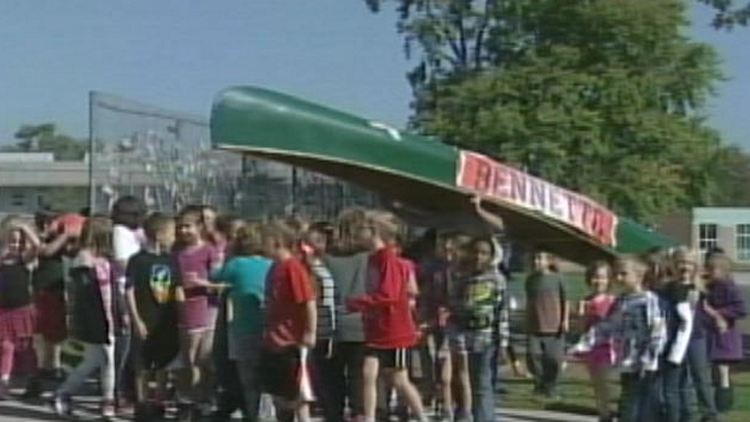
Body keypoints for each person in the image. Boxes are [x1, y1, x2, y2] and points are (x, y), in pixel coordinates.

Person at [346, 211, 428, 422]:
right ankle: (370, 416)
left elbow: (389, 295)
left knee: (399, 379)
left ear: (374, 232)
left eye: (362, 229)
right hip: (376, 329)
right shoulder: (372, 259)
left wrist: (359, 303)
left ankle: (421, 416)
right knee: (368, 373)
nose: (358, 234)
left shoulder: (389, 259)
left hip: (395, 330)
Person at [570, 256, 667, 422]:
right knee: (629, 406)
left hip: (645, 365)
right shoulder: (622, 301)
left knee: (644, 408)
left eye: (624, 274)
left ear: (638, 276)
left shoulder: (649, 300)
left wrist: (648, 358)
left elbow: (658, 332)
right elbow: (608, 326)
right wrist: (584, 344)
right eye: (616, 274)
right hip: (627, 362)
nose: (618, 278)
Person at [53, 217, 120, 419]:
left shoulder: (106, 258)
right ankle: (107, 401)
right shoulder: (84, 258)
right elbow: (84, 294)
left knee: (95, 360)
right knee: (107, 359)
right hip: (96, 317)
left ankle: (63, 393)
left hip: (109, 313)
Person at [211, 224, 272, 421]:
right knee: (266, 374)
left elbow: (214, 276)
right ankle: (267, 413)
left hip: (242, 328)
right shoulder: (270, 263)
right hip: (267, 326)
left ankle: (252, 414)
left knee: (247, 377)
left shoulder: (235, 264)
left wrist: (225, 253)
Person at [259, 221, 317, 422]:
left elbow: (308, 301)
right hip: (274, 339)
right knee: (278, 392)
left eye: (264, 241)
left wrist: (310, 331)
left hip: (291, 340)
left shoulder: (293, 268)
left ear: (276, 242)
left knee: (298, 393)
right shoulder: (275, 268)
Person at [125, 213, 180, 420]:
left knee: (163, 363)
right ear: (159, 235)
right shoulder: (138, 260)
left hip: (166, 320)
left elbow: (177, 288)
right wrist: (136, 319)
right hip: (145, 317)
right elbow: (129, 290)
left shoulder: (172, 260)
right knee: (142, 364)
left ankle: (159, 402)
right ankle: (141, 403)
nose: (174, 238)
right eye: (171, 233)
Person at [449, 235, 509, 422]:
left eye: (484, 253)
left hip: (487, 338)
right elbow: (454, 306)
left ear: (491, 256)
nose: (478, 257)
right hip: (464, 338)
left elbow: (502, 313)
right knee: (465, 383)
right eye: (475, 252)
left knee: (483, 385)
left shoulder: (497, 280)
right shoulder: (462, 277)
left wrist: (504, 344)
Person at [173, 207, 224, 420]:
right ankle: (188, 400)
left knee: (203, 358)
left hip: (206, 309)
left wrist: (203, 283)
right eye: (181, 227)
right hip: (184, 310)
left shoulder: (209, 251)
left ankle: (204, 398)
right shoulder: (176, 254)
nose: (184, 231)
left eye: (188, 226)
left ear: (199, 227)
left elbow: (220, 284)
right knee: (188, 358)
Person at [658, 248, 719, 422]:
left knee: (701, 378)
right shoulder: (667, 288)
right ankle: (677, 416)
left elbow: (705, 312)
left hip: (695, 338)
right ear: (674, 265)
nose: (685, 267)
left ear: (695, 266)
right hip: (674, 339)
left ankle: (710, 415)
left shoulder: (700, 289)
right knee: (674, 382)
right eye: (681, 262)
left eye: (689, 263)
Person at [323, 208, 371, 421]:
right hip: (362, 324)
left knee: (332, 385)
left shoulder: (327, 258)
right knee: (359, 383)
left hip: (332, 325)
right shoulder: (371, 258)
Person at [301, 222, 340, 421]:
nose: (319, 245)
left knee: (330, 374)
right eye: (314, 241)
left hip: (332, 325)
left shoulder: (328, 265)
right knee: (322, 373)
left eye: (321, 241)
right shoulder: (306, 269)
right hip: (319, 327)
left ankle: (331, 411)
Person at [111, 195, 146, 409]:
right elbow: (122, 261)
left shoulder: (137, 232)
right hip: (125, 289)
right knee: (125, 343)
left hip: (138, 289)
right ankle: (120, 389)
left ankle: (131, 387)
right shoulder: (120, 232)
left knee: (135, 344)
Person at [0, 219, 40, 399]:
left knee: (25, 348)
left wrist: (24, 228)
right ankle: (4, 382)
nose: (15, 245)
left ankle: (33, 380)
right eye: (12, 241)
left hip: (22, 309)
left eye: (19, 242)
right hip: (4, 310)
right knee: (6, 346)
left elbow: (37, 246)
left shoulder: (24, 260)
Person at [703, 252, 746, 414]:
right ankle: (717, 401)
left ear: (722, 270)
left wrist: (719, 313)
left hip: (725, 336)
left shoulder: (729, 288)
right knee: (715, 370)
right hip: (713, 335)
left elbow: (740, 309)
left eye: (711, 269)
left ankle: (723, 404)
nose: (707, 272)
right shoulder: (711, 287)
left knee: (723, 371)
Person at [575, 261, 617, 422]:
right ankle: (604, 413)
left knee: (605, 382)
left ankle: (608, 413)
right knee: (597, 383)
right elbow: (581, 328)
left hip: (608, 346)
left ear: (608, 280)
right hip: (592, 347)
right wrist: (581, 314)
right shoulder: (586, 301)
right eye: (594, 277)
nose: (598, 281)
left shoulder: (612, 301)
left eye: (602, 278)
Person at [524, 250, 569, 399]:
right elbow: (529, 302)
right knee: (532, 355)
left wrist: (565, 320)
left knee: (553, 359)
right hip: (535, 326)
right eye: (535, 258)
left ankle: (551, 387)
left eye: (540, 258)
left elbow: (565, 300)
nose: (537, 262)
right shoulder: (530, 280)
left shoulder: (557, 279)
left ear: (549, 261)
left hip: (554, 327)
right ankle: (539, 383)